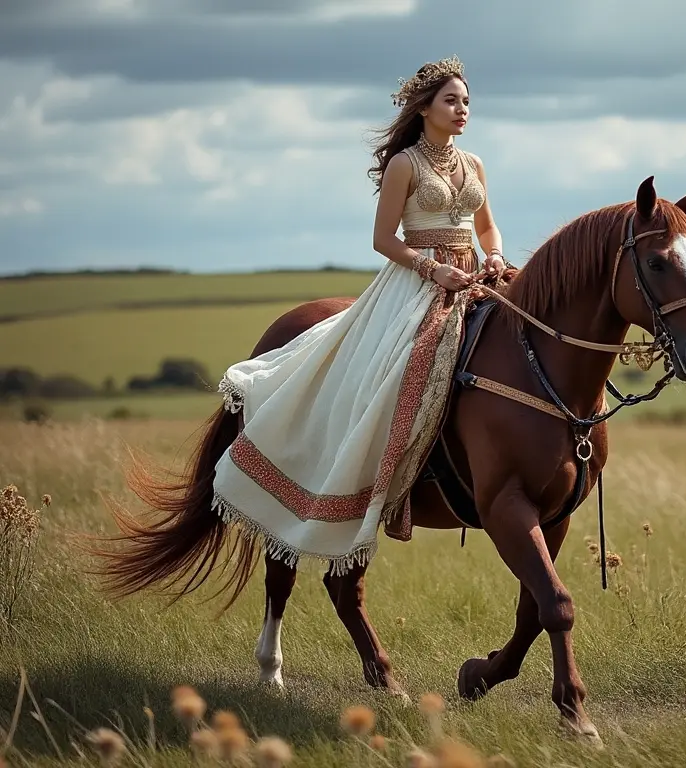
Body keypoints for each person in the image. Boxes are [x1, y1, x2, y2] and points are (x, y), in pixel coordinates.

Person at [210, 55, 505, 576]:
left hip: (473, 278)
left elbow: (486, 229)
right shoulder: (404, 164)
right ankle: (387, 476)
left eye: (467, 102)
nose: (462, 110)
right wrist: (432, 271)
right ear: (425, 109)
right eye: (451, 101)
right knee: (401, 373)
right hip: (416, 282)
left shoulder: (474, 163)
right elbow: (382, 239)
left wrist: (496, 257)